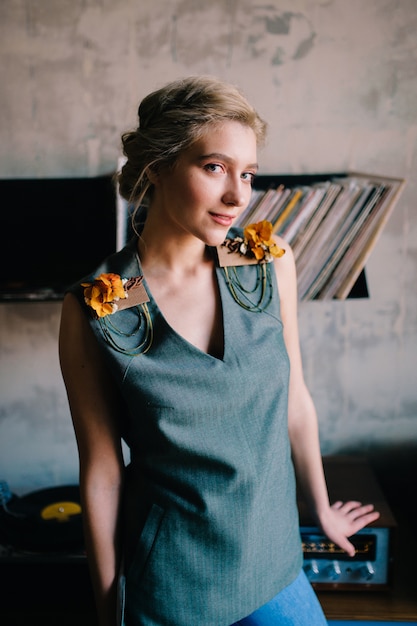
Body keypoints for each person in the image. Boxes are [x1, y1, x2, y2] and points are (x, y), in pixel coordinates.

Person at [59, 75, 380, 626]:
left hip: (275, 566)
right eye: (214, 168)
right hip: (170, 585)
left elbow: (295, 399)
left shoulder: (266, 263)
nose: (238, 196)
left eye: (247, 173)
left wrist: (319, 507)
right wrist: (111, 603)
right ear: (157, 167)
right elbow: (103, 472)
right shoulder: (102, 304)